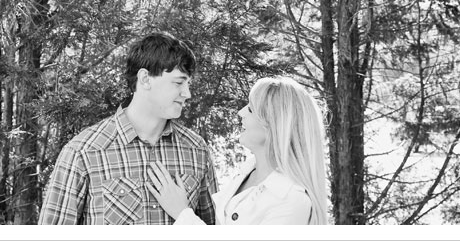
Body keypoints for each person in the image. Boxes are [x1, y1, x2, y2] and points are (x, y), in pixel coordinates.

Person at [38, 33, 218, 225]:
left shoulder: (197, 150)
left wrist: (183, 214)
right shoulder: (83, 152)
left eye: (188, 84)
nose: (187, 93)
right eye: (179, 82)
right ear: (145, 79)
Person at [147, 76, 329, 225]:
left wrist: (182, 213)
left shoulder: (292, 201)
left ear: (275, 124)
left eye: (250, 109)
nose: (241, 112)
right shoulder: (245, 175)